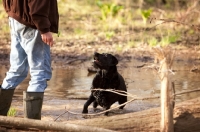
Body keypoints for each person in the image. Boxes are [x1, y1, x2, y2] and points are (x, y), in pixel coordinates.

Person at [0, 0, 59, 120]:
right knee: (39, 73)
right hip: (32, 23)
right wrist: (44, 28)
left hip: (16, 18)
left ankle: (1, 118)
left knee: (17, 70)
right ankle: (32, 124)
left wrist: (11, 11)